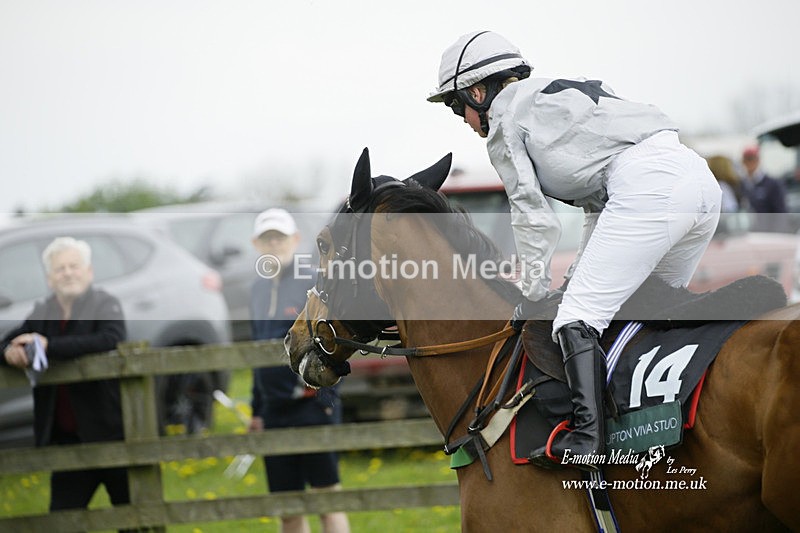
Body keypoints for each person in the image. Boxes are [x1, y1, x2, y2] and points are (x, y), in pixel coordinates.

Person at [428, 31, 721, 470]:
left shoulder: (504, 123)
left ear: (477, 92)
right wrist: (573, 279)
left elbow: (533, 218)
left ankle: (588, 438)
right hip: (697, 180)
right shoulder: (554, 96)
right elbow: (598, 207)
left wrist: (532, 293)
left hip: (649, 189)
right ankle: (652, 426)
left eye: (458, 108)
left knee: (575, 319)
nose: (465, 120)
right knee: (642, 310)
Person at [1, 237, 129, 511]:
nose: (68, 273)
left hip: (112, 433)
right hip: (69, 440)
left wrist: (50, 346)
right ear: (50, 279)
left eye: (74, 266)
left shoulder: (105, 304)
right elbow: (9, 340)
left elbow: (110, 339)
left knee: (135, 518)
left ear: (89, 272)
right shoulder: (43, 312)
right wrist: (8, 352)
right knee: (62, 520)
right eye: (60, 269)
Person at [248, 208, 350, 533]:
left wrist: (326, 399)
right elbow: (256, 353)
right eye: (267, 238)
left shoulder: (313, 282)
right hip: (274, 412)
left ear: (295, 239)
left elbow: (333, 344)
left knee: (327, 500)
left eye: (279, 237)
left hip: (312, 406)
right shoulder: (257, 289)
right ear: (256, 244)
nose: (273, 244)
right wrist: (257, 409)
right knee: (288, 509)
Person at [739, 145, 788, 232]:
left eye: (752, 159)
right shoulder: (743, 184)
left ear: (758, 160)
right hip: (750, 232)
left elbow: (781, 212)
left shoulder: (772, 184)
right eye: (747, 159)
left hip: (768, 232)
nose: (749, 163)